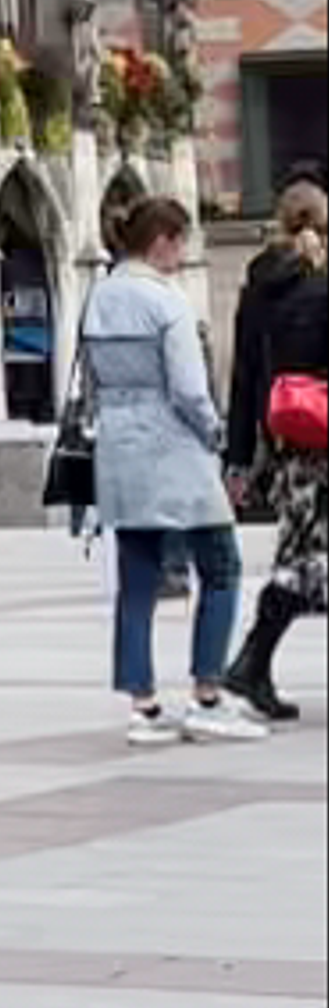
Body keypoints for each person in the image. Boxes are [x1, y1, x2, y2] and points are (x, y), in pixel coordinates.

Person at [86, 191, 242, 744]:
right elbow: (189, 389)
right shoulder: (167, 301)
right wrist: (215, 433)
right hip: (175, 449)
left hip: (120, 448)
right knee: (221, 565)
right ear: (161, 243)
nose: (182, 256)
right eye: (180, 245)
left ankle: (143, 703)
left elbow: (92, 381)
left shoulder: (98, 297)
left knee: (137, 580)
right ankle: (207, 691)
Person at [223, 185, 328, 721]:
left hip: (287, 444)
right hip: (325, 443)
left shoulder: (257, 288)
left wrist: (237, 456)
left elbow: (242, 379)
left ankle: (252, 666)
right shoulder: (321, 283)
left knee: (299, 556)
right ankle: (249, 664)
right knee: (306, 563)